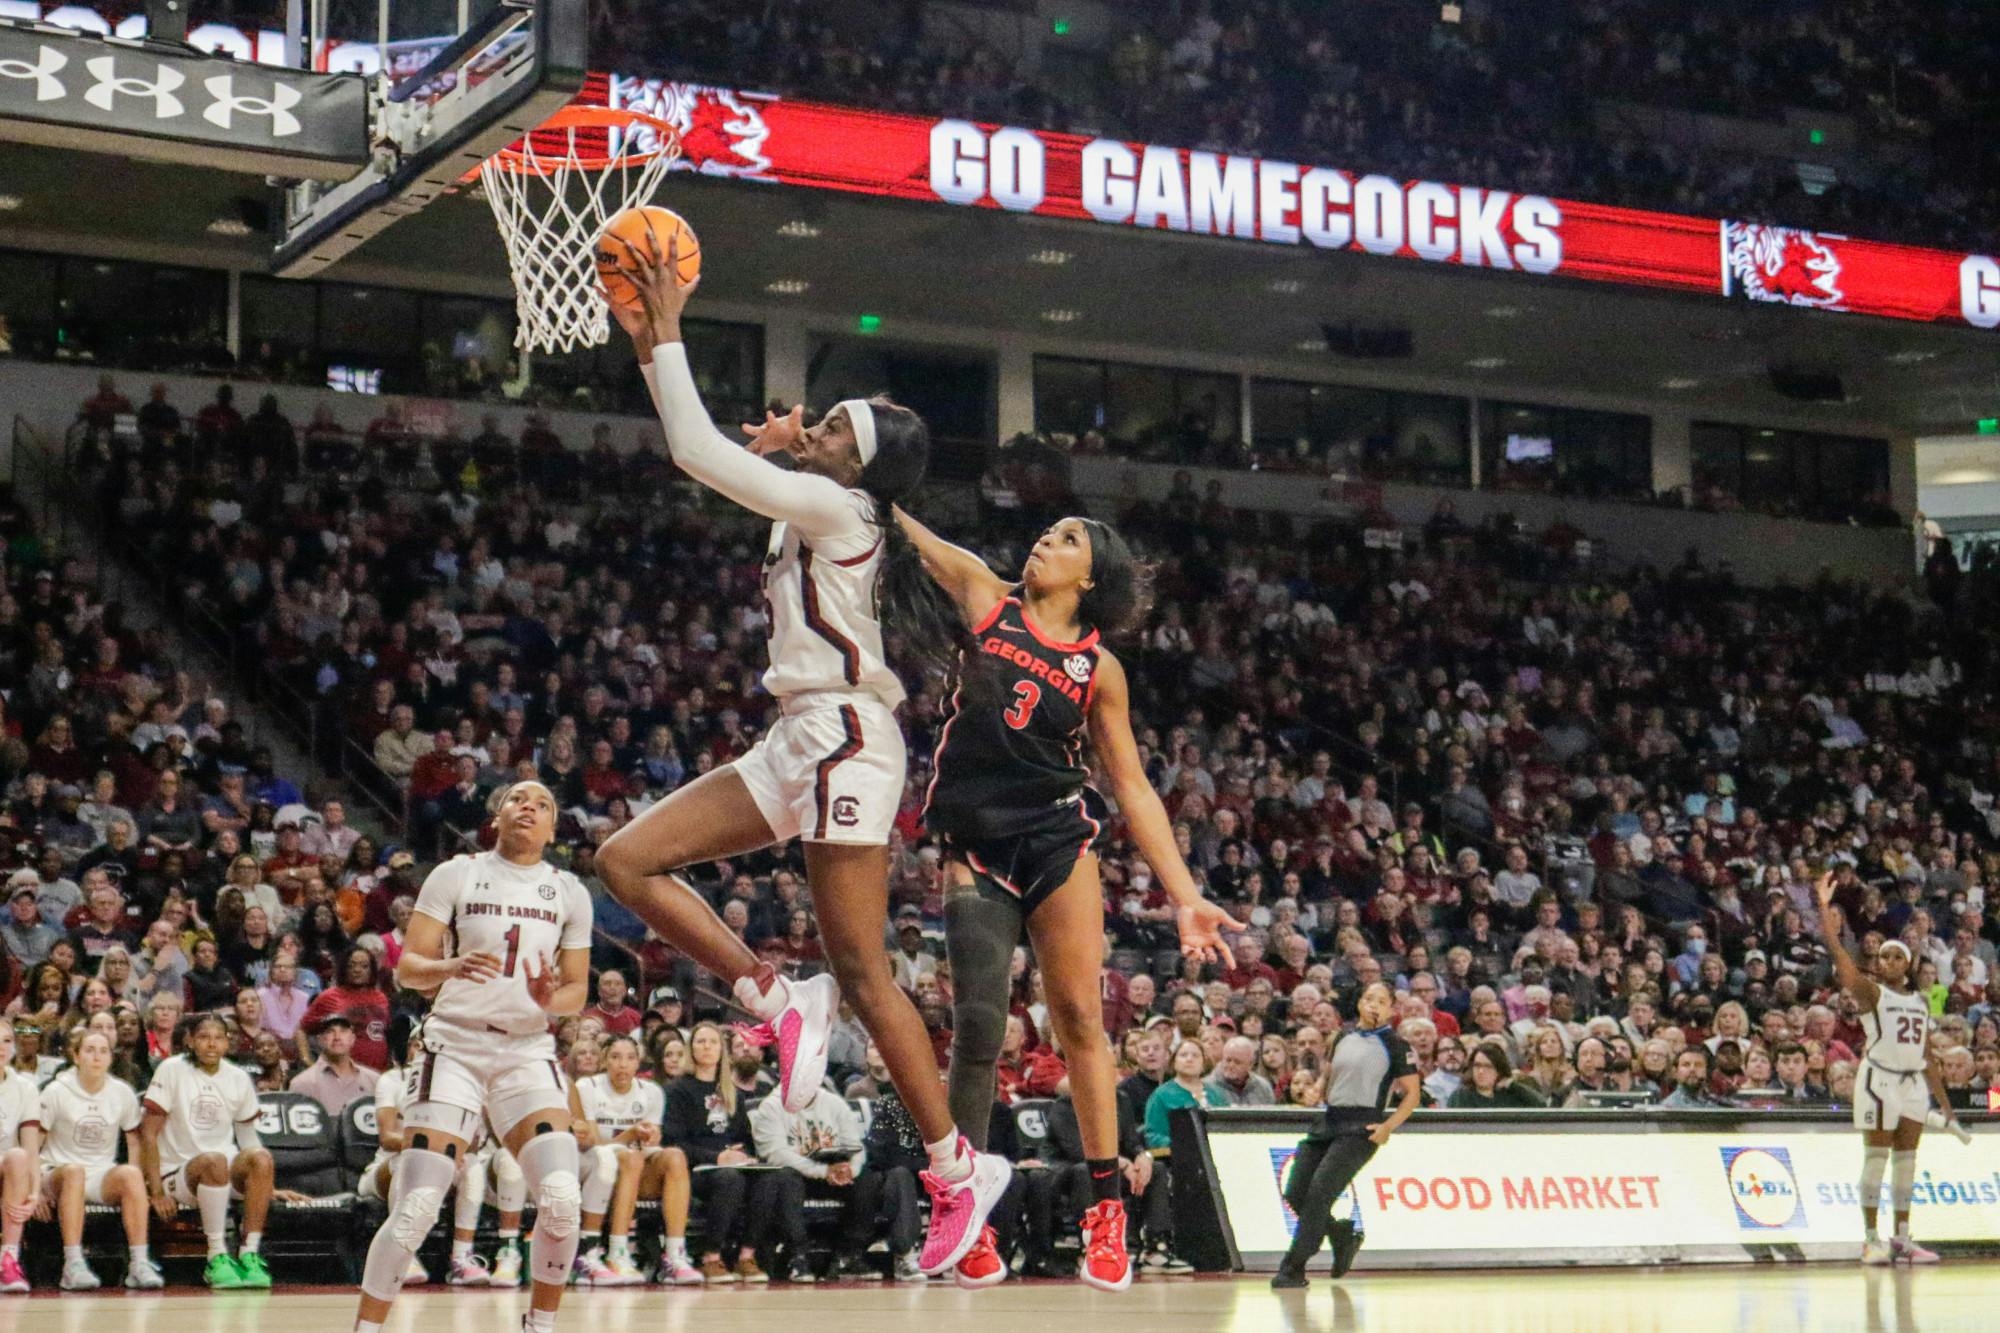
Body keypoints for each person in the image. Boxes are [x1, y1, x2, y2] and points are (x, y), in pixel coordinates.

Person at [597, 230, 1008, 1277]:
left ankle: (959, 1171)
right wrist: (784, 446)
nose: (808, 427)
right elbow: (741, 469)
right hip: (798, 737)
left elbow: (695, 453)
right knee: (626, 860)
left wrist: (665, 338)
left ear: (857, 464)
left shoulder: (838, 506)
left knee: (867, 974)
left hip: (842, 742)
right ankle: (771, 997)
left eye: (830, 426)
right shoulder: (825, 505)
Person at [891, 505, 1242, 1290]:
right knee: (980, 1026)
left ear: (1091, 576)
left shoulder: (1099, 667)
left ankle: (1106, 1208)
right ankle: (965, 1206)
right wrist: (845, 460)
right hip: (976, 841)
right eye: (1046, 531)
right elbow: (916, 534)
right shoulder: (986, 599)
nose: (1047, 540)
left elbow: (1134, 788)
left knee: (1081, 1017)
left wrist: (1184, 893)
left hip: (1056, 836)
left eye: (1068, 537)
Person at [351, 781, 592, 1333]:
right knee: (416, 1206)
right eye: (517, 799)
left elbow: (576, 991)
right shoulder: (457, 873)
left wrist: (548, 999)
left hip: (526, 1048)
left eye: (543, 804)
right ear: (497, 816)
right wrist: (450, 967)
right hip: (454, 1044)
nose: (528, 806)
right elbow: (407, 968)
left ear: (554, 831)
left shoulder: (570, 892)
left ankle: (541, 1326)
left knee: (559, 1198)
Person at [1818, 872, 1967, 1265]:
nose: (1890, 960)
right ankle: (1870, 1239)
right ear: (1878, 963)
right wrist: (1825, 914)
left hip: (1912, 1083)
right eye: (1884, 955)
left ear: (1910, 961)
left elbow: (1926, 1057)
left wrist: (1945, 1105)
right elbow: (1842, 960)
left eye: (1897, 954)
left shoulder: (1920, 1002)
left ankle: (1902, 1237)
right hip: (1878, 1080)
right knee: (1877, 1158)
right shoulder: (1871, 991)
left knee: (1907, 1162)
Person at [1272, 983, 1421, 1289]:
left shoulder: (1397, 1046)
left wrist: (1386, 1127)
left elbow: (1412, 1095)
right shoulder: (1342, 1036)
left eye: (1381, 1001)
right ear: (1359, 1004)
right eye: (1369, 999)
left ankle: (1293, 1267)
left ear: (1392, 1009)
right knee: (1296, 1189)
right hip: (1329, 1120)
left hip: (1362, 1127)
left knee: (1319, 1193)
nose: (1374, 1005)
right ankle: (1341, 1235)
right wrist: (1318, 1089)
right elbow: (1330, 1072)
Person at [139, 1012, 279, 1288]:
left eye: (218, 1038)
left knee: (261, 1158)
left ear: (228, 1044)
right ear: (190, 1041)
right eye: (203, 1037)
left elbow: (248, 1138)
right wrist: (155, 1192)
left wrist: (266, 1184)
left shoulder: (238, 1077)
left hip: (224, 1171)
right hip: (179, 1173)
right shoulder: (171, 1069)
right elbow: (148, 1133)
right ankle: (216, 1256)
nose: (211, 1044)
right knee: (214, 1161)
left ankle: (249, 1254)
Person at [360, 1015, 493, 1287]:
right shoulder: (393, 1080)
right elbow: (388, 1138)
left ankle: (461, 1258)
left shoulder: (463, 1085)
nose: (422, 1050)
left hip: (444, 1165)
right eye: (417, 1044)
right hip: (385, 1170)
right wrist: (440, 1150)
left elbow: (474, 1142)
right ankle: (403, 1255)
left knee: (472, 1166)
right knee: (407, 1160)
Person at [37, 1028, 162, 1290]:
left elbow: (134, 1141)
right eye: (90, 1050)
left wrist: (138, 1179)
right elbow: (33, 1145)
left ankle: (138, 1264)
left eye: (103, 1051)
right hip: (56, 1171)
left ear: (110, 1058)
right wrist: (34, 1188)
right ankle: (73, 1264)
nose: (97, 1057)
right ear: (76, 1055)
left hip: (99, 1174)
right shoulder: (56, 1090)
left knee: (130, 1174)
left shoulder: (122, 1092)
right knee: (74, 1172)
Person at [662, 1021, 773, 1283]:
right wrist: (717, 1157)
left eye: (713, 1042)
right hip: (695, 1168)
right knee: (729, 1179)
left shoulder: (731, 1091)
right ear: (691, 1049)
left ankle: (746, 1255)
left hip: (730, 1163)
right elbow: (673, 1143)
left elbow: (744, 1137)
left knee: (771, 1179)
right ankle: (711, 1256)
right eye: (700, 1041)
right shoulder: (677, 1090)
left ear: (722, 1050)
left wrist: (744, 1154)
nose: (707, 1047)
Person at [568, 1034, 667, 1286]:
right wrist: (629, 1135)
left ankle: (675, 1256)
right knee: (627, 1158)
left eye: (630, 1058)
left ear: (638, 1063)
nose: (623, 1064)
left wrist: (650, 1136)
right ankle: (617, 1251)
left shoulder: (652, 1091)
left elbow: (650, 1142)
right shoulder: (587, 1087)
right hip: (591, 1162)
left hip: (633, 1166)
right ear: (604, 1060)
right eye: (615, 1057)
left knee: (674, 1158)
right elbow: (590, 1142)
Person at [0, 1020, 42, 1295]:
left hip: (5, 1165)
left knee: (17, 1156)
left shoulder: (25, 1087)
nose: (1, 1048)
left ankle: (8, 1259)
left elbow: (31, 1148)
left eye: (5, 1041)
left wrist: (35, 1192)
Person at [289, 1013, 379, 1115]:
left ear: (353, 1039)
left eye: (343, 1031)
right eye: (330, 1032)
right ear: (320, 1040)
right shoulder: (303, 1083)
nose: (337, 1037)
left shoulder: (373, 1080)